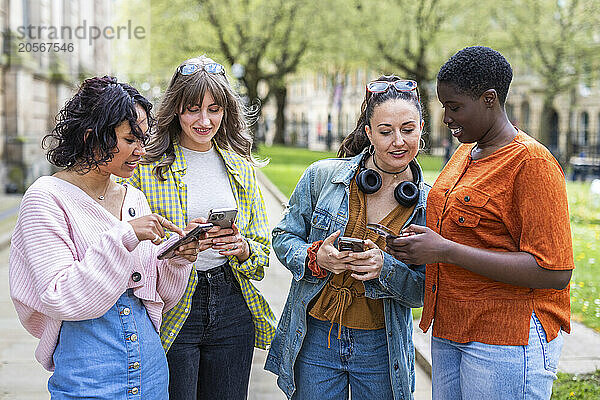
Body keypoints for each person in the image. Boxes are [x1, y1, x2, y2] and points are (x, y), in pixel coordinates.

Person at [387, 46, 574, 400]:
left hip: (505, 339)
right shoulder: (464, 153)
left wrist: (445, 250)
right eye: (444, 107)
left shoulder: (532, 163)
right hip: (450, 328)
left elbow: (554, 271)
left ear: (490, 99)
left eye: (454, 107)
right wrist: (417, 247)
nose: (446, 118)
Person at [8, 76, 200, 399]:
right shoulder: (46, 198)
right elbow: (59, 294)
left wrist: (177, 257)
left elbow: (159, 296)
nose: (141, 151)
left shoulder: (133, 198)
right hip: (89, 378)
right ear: (91, 137)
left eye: (143, 138)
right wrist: (125, 236)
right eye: (130, 139)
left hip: (152, 373)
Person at [265, 75, 430, 400]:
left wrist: (385, 267)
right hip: (316, 337)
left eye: (408, 130)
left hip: (382, 347)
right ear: (368, 132)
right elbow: (284, 237)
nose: (398, 141)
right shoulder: (321, 177)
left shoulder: (430, 203)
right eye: (385, 132)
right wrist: (315, 257)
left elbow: (422, 293)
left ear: (421, 128)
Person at [124, 55, 275, 400]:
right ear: (176, 109)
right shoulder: (145, 168)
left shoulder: (241, 166)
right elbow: (127, 240)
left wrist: (242, 247)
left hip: (232, 302)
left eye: (214, 109)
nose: (204, 120)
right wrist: (179, 243)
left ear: (226, 111)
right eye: (193, 109)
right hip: (173, 305)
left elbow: (262, 249)